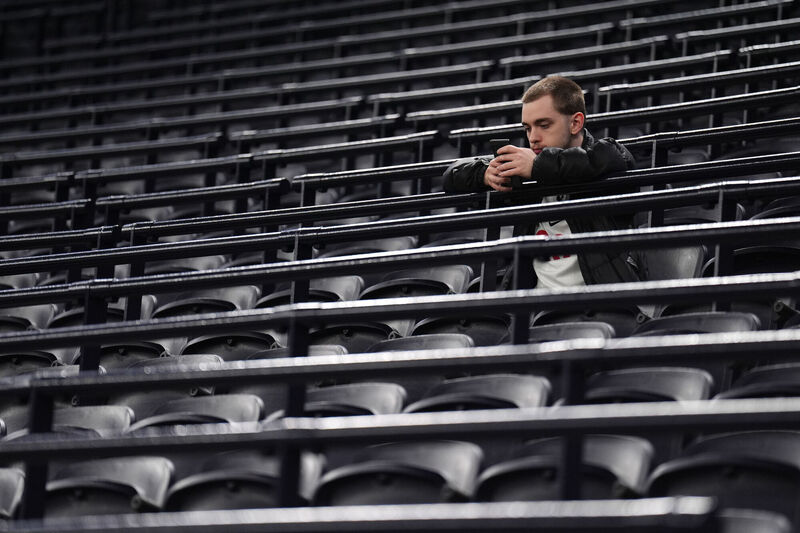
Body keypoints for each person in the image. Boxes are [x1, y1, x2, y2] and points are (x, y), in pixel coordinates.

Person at [443, 75, 641, 288]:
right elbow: (451, 175)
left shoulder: (607, 154)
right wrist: (484, 174)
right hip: (535, 309)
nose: (533, 137)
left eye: (543, 125)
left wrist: (537, 165)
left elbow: (600, 162)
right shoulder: (528, 167)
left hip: (603, 303)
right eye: (527, 128)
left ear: (575, 123)